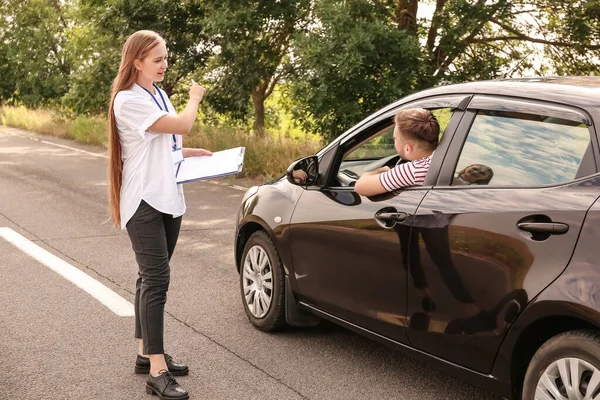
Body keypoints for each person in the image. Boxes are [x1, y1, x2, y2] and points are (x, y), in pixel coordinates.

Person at [108, 30, 211, 400]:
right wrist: (195, 99)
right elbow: (182, 123)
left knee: (148, 278)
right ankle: (157, 370)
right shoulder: (127, 100)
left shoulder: (158, 93)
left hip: (169, 198)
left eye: (166, 57)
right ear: (137, 61)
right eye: (157, 59)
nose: (165, 64)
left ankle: (143, 353)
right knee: (156, 281)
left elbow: (163, 143)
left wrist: (188, 152)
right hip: (145, 201)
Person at [355, 108, 440, 196]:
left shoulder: (414, 170)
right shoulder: (441, 161)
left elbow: (360, 187)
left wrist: (385, 170)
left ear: (408, 149)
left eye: (395, 139)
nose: (394, 142)